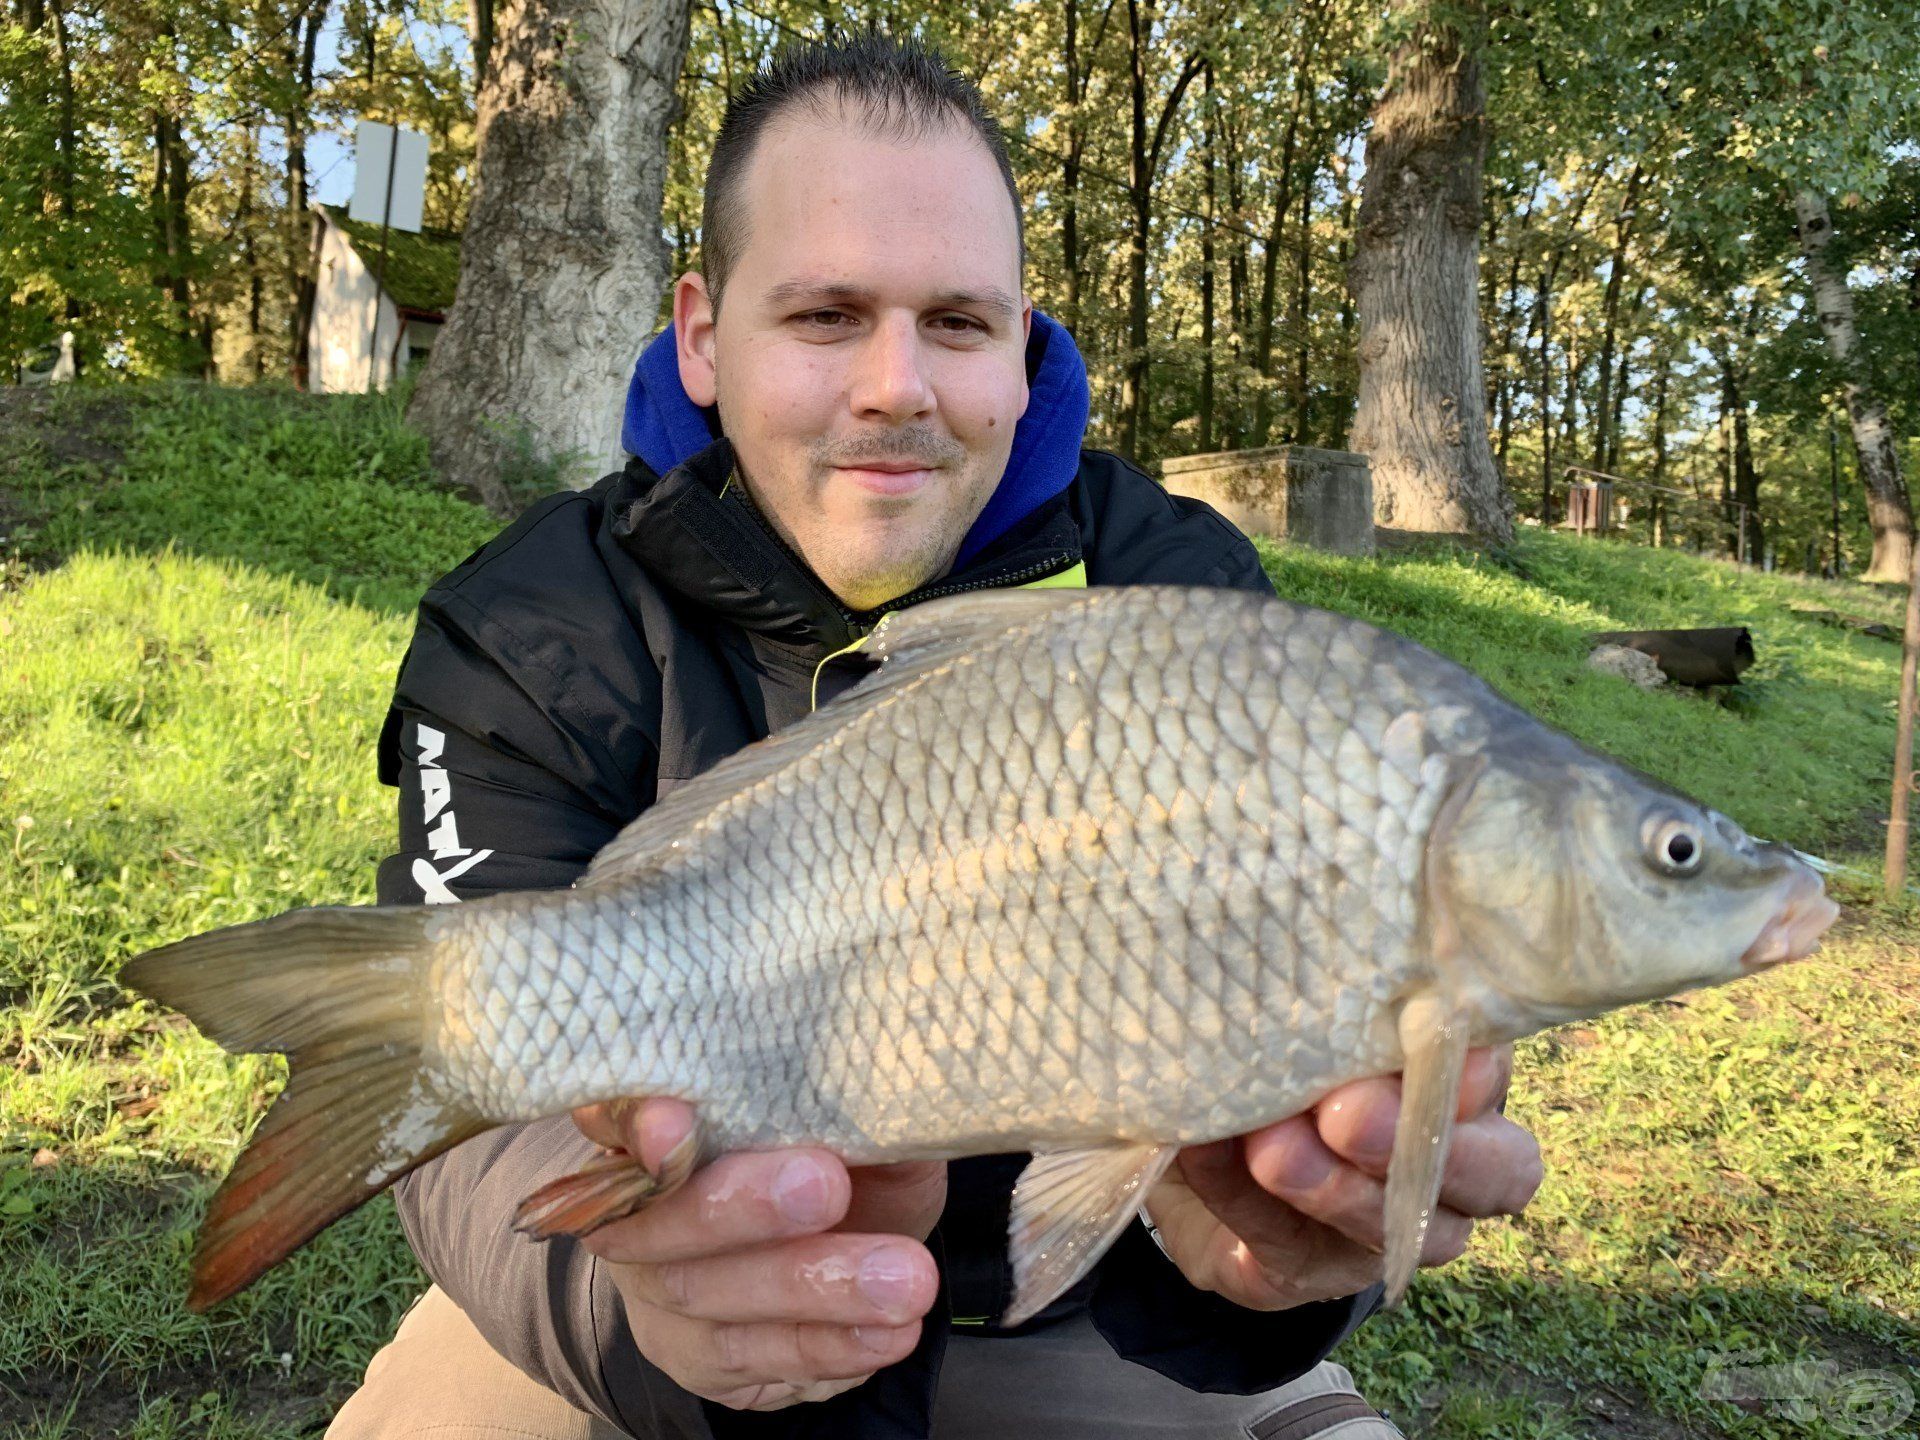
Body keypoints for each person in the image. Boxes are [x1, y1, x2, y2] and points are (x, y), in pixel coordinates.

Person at [326, 33, 1543, 1440]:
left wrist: (1263, 1272)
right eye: (828, 316)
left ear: (1025, 354)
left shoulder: (1185, 602)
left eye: (960, 324)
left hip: (1089, 1318)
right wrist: (657, 1321)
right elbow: (482, 1140)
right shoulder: (531, 628)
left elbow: (1315, 1117)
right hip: (648, 1300)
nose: (898, 384)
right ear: (704, 337)